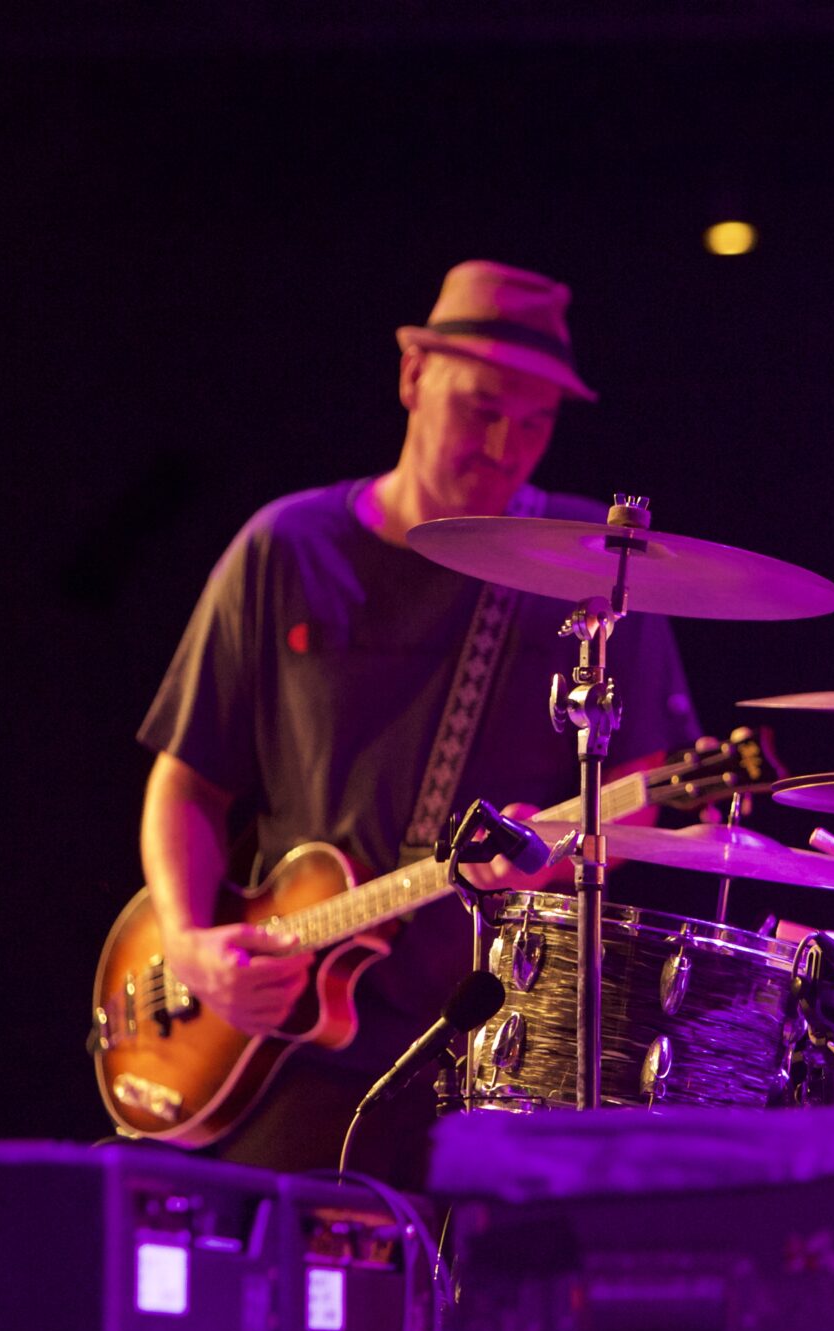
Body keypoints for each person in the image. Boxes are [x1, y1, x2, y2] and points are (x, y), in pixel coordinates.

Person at [137, 260, 700, 1180]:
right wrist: (190, 940)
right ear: (412, 376)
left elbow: (644, 790)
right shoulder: (286, 548)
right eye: (482, 409)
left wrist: (548, 857)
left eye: (536, 422)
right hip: (293, 1045)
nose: (506, 447)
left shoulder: (595, 574)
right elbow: (186, 781)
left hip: (495, 1036)